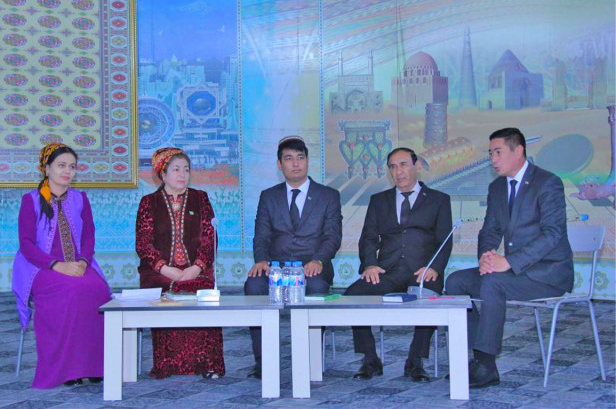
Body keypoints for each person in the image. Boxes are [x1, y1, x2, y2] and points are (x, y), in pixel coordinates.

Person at [445, 127, 573, 388]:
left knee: (494, 283)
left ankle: (485, 363)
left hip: (546, 274)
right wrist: (486, 257)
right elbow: (490, 230)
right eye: (490, 153)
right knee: (456, 282)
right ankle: (481, 361)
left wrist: (509, 262)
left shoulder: (547, 183)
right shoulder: (497, 187)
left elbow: (552, 234)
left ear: (519, 151)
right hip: (514, 273)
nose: (493, 159)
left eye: (498, 152)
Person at [346, 147, 452, 382]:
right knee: (353, 296)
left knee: (429, 297)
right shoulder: (379, 201)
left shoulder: (439, 200)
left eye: (403, 164)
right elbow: (368, 238)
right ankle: (370, 358)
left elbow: (445, 239)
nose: (398, 171)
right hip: (387, 271)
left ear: (417, 166)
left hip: (423, 271)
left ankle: (415, 361)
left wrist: (435, 267)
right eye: (393, 167)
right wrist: (369, 265)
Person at [12, 142, 111, 388]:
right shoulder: (30, 201)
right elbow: (26, 245)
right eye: (61, 165)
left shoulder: (80, 199)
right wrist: (57, 265)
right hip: (41, 267)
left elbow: (89, 236)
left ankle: (94, 366)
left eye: (72, 167)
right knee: (70, 291)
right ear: (46, 169)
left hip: (79, 264)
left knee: (98, 290)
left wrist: (83, 262)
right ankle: (68, 370)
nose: (67, 171)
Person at [244, 135, 342, 379]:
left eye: (300, 157)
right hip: (276, 267)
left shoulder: (328, 195)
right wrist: (261, 260)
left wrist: (319, 260)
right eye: (288, 158)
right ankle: (264, 361)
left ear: (307, 161)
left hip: (313, 265)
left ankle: (308, 358)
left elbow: (332, 237)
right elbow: (261, 235)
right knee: (254, 285)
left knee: (317, 286)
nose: (295, 163)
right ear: (280, 165)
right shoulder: (269, 196)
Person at [136, 147, 225, 379]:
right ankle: (167, 365)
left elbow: (210, 237)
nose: (182, 174)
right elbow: (143, 244)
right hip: (159, 272)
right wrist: (166, 269)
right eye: (176, 169)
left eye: (186, 169)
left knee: (201, 290)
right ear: (163, 174)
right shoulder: (149, 202)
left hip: (197, 269)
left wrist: (196, 267)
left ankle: (208, 364)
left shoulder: (200, 198)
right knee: (166, 291)